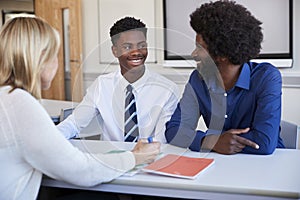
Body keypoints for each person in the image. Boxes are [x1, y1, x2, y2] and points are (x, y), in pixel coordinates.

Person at [0, 16, 160, 200]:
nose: (57, 63)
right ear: (40, 58)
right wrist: (135, 157)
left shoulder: (8, 99)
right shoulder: (20, 104)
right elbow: (81, 170)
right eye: (55, 55)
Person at [165, 0, 285, 155]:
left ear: (222, 54)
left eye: (199, 48)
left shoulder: (266, 77)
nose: (194, 54)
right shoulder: (198, 79)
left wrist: (213, 141)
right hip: (216, 165)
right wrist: (211, 141)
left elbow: (264, 143)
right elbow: (174, 130)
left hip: (266, 166)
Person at [57, 16, 179, 143]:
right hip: (111, 158)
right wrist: (48, 141)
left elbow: (162, 140)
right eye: (127, 47)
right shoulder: (102, 85)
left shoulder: (167, 90)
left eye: (141, 45)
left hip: (150, 158)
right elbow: (74, 123)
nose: (136, 52)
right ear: (115, 51)